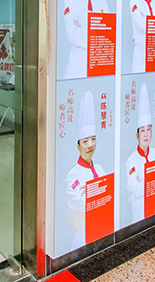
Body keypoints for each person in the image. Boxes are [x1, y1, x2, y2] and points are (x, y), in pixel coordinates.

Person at [64, 91, 106, 250]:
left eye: (93, 139)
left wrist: (90, 193)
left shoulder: (100, 169)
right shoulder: (72, 176)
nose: (90, 145)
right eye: (85, 141)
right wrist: (98, 194)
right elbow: (82, 205)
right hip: (82, 237)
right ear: (78, 145)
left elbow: (108, 199)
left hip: (100, 231)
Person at [124, 83, 155, 223]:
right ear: (137, 135)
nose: (146, 134)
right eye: (142, 130)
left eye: (148, 129)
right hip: (139, 214)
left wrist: (143, 180)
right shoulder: (131, 161)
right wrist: (151, 180)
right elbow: (136, 190)